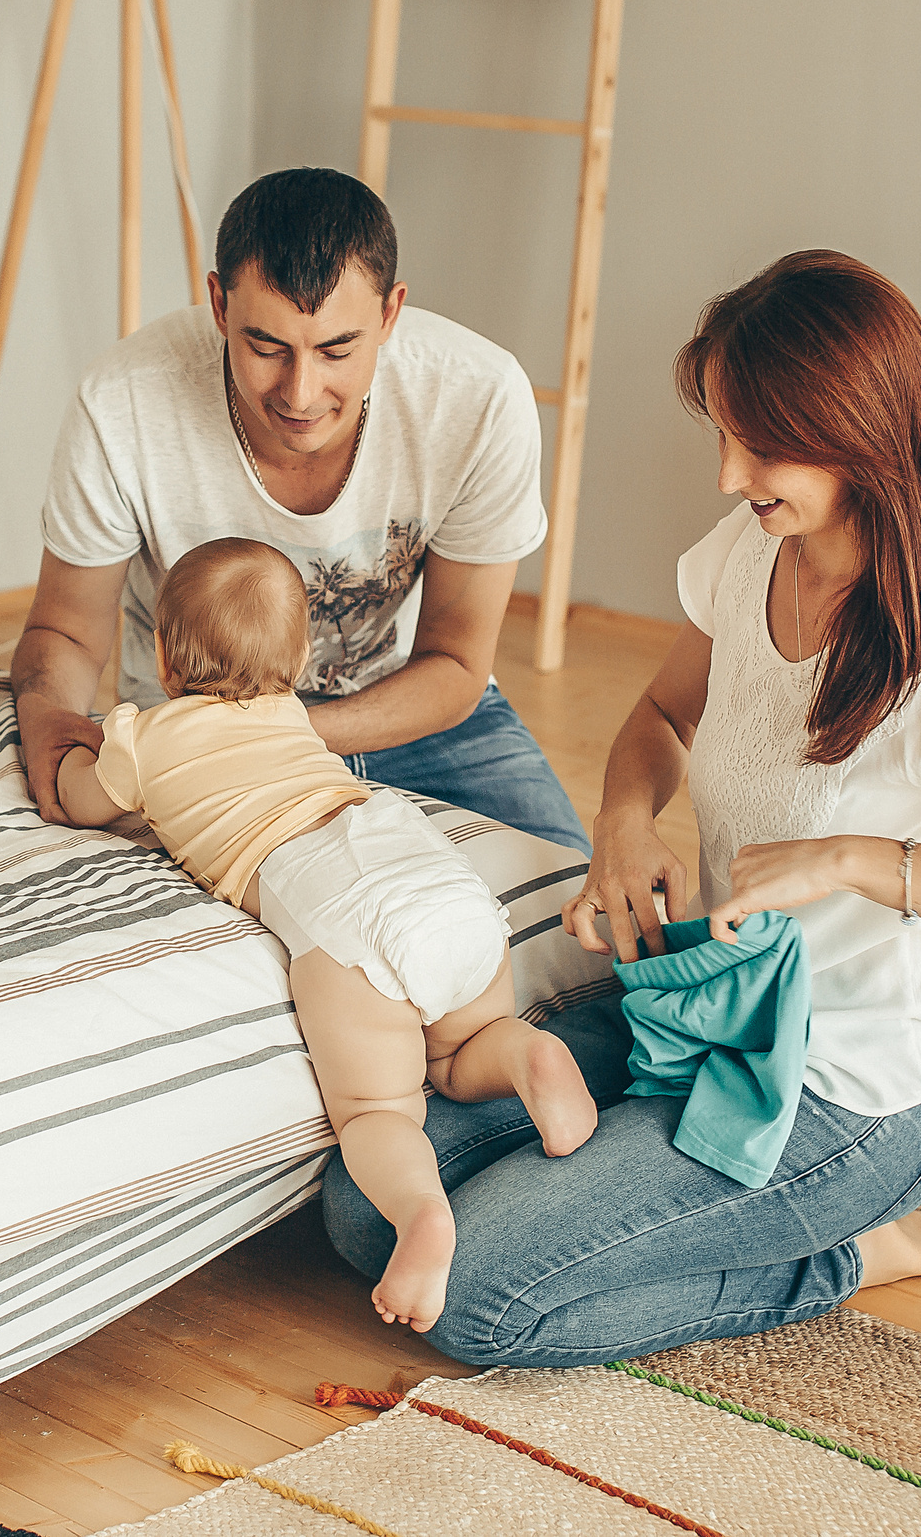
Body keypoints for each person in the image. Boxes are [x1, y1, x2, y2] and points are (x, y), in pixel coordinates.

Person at [320, 250, 921, 1361]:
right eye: (723, 436)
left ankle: (849, 1251)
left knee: (476, 1294)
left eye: (759, 446)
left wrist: (855, 859)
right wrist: (625, 827)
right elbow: (659, 718)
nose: (728, 475)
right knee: (363, 1207)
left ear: (858, 431)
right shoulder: (754, 551)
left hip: (855, 1096)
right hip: (704, 1017)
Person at [54, 538, 598, 1331]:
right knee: (462, 1050)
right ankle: (529, 1055)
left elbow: (78, 801)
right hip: (431, 871)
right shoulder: (296, 718)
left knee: (379, 1112)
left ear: (163, 655)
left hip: (342, 911)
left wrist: (89, 748)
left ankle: (421, 1214)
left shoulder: (146, 735)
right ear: (302, 658)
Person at [16, 167, 589, 855]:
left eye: (337, 349)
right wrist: (47, 713)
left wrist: (275, 736)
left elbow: (456, 664)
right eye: (266, 347)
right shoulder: (121, 402)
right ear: (219, 305)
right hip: (190, 732)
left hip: (414, 713)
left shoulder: (479, 399)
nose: (300, 392)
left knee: (574, 896)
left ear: (390, 314)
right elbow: (68, 632)